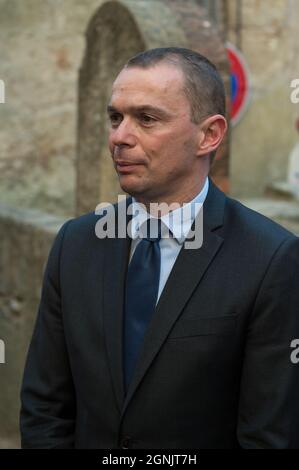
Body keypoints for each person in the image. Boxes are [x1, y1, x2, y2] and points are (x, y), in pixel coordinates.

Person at [20, 47, 299, 449]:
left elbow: (268, 435)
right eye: (116, 117)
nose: (119, 137)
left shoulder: (271, 259)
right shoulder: (76, 244)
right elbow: (45, 407)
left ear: (209, 135)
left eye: (146, 119)